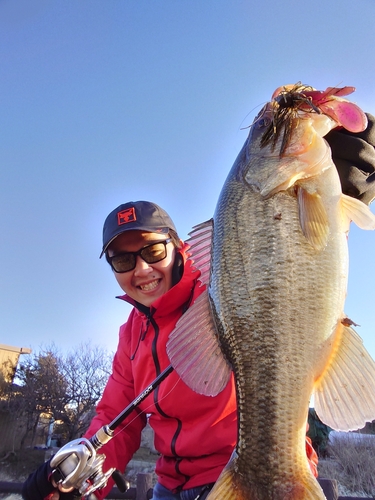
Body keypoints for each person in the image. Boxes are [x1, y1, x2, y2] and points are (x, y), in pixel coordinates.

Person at [22, 116, 375, 500]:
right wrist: (70, 477)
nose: (141, 269)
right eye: (122, 261)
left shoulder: (216, 287)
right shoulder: (131, 334)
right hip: (169, 487)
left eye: (153, 250)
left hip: (249, 469)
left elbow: (286, 254)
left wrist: (340, 182)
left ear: (177, 247)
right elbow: (114, 419)